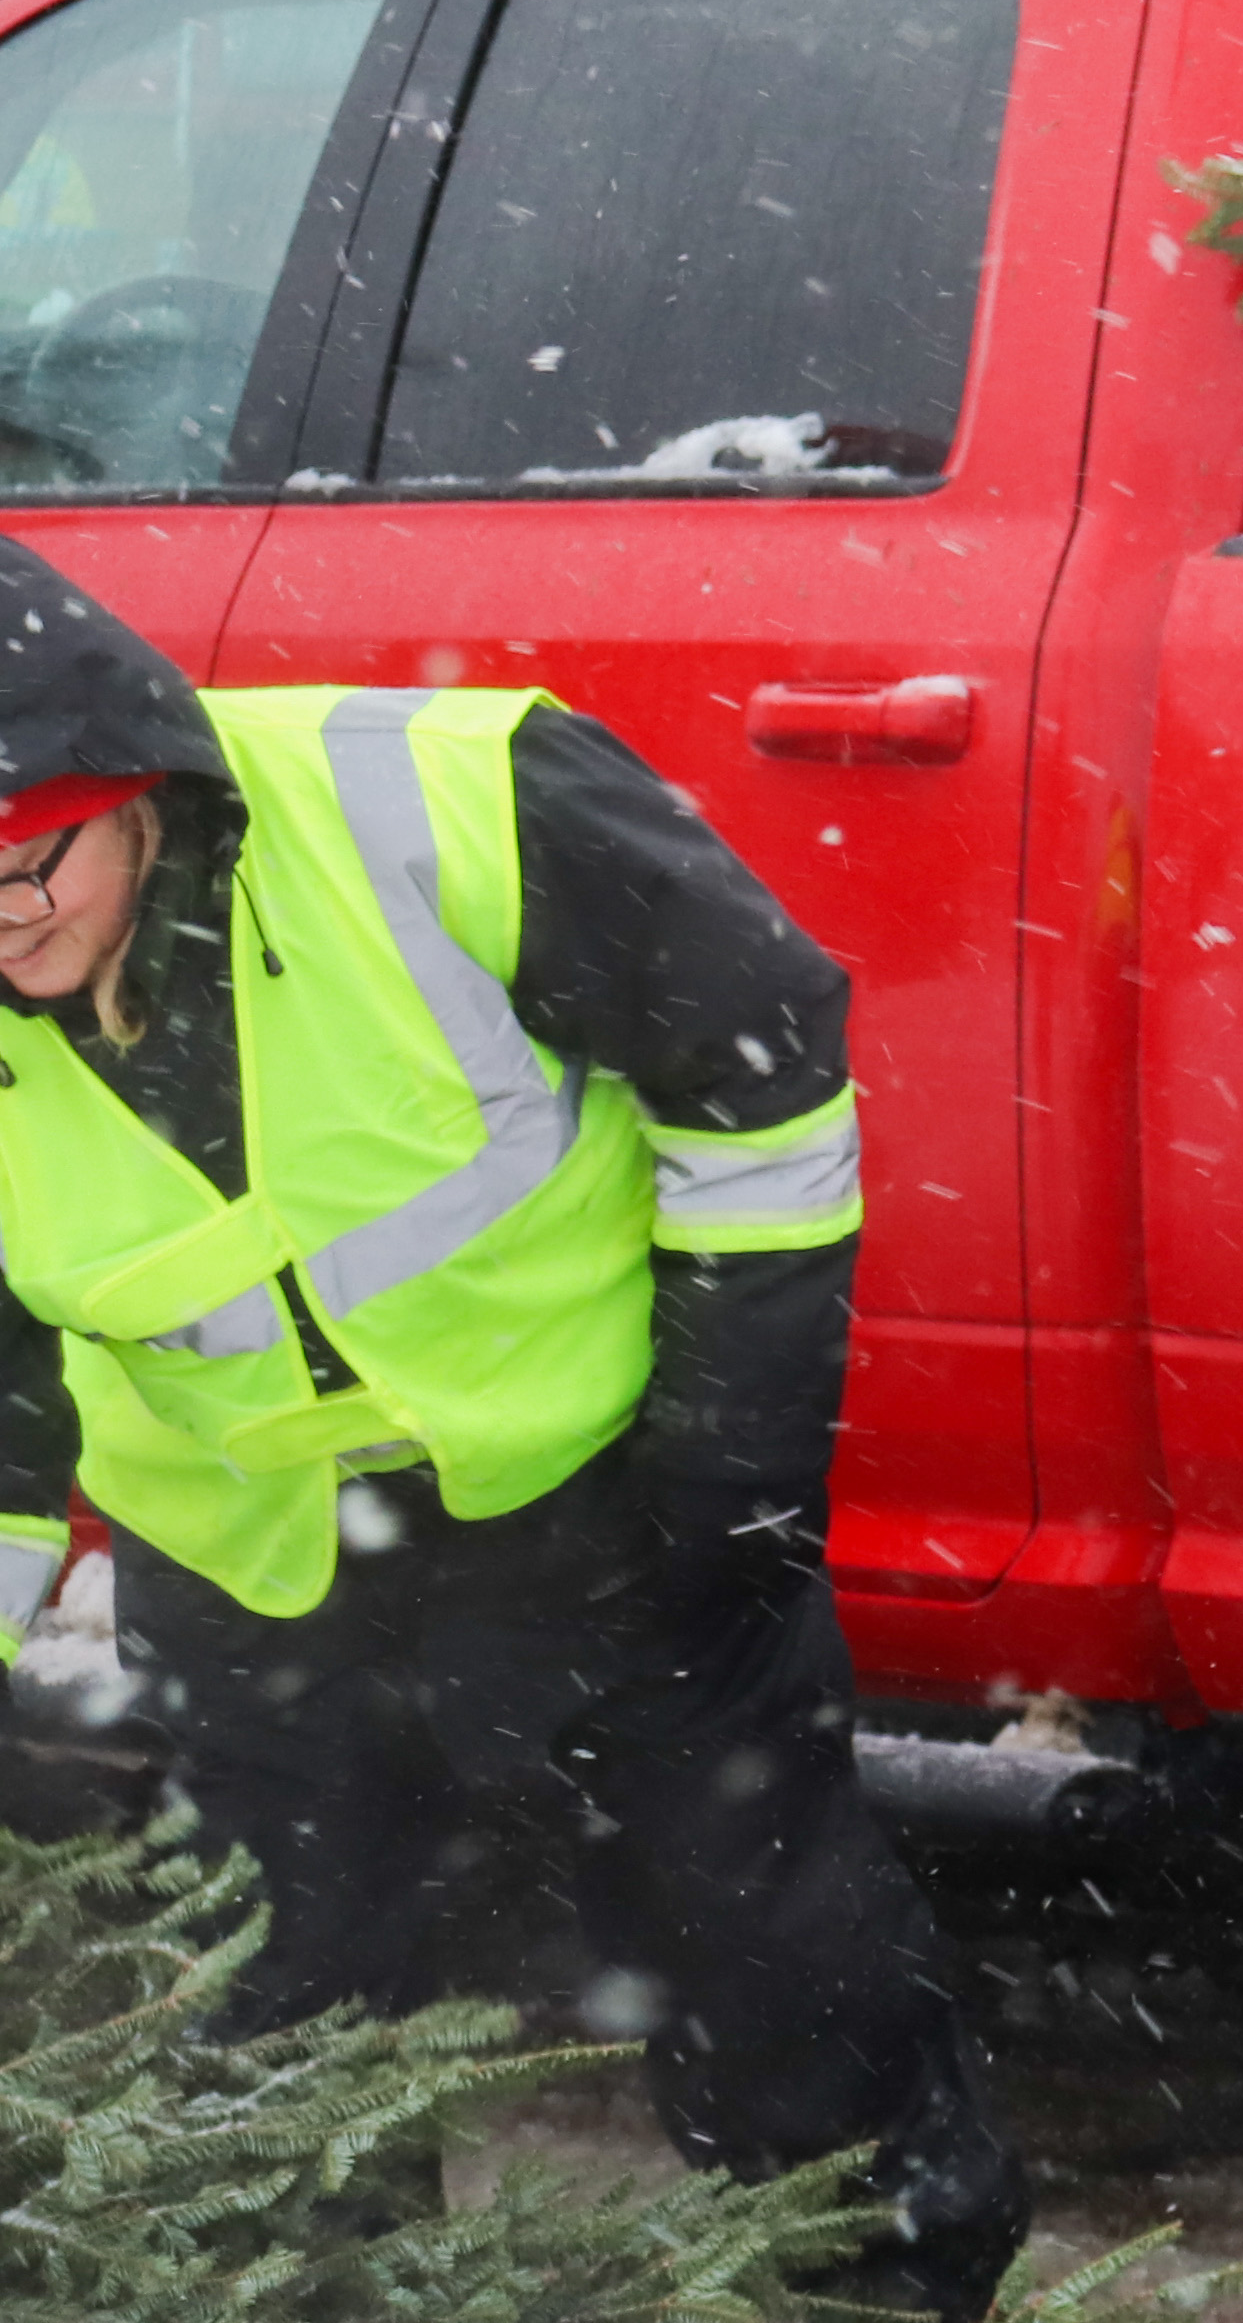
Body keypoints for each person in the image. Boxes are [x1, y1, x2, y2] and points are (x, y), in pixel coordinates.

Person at [0, 541, 1027, 2314]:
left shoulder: (433, 801)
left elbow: (761, 1064)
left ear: (140, 798)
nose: (2, 921)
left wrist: (731, 1472)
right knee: (266, 2070)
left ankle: (878, 2292)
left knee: (777, 1986)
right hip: (253, 1573)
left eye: (30, 861)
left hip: (612, 1513)